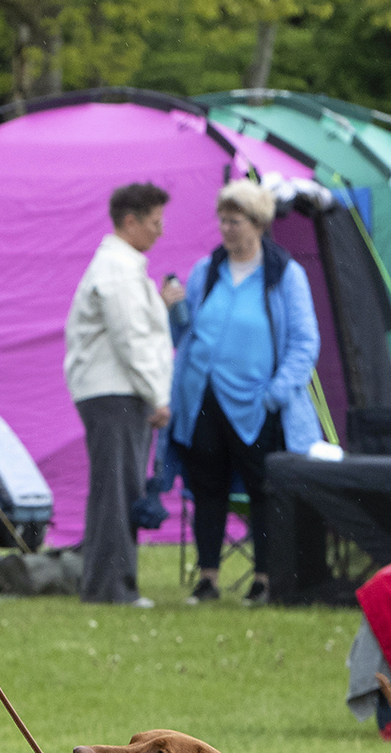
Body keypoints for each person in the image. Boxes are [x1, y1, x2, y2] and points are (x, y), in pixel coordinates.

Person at [167, 179, 322, 607]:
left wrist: (276, 393)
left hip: (257, 403)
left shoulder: (285, 274)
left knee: (262, 490)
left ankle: (265, 578)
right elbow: (187, 333)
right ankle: (208, 578)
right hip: (204, 399)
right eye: (222, 220)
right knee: (207, 487)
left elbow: (305, 342)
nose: (226, 229)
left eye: (234, 221)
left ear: (257, 224)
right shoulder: (206, 270)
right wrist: (175, 310)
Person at [63, 181, 184, 606]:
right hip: (115, 392)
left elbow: (136, 324)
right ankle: (114, 588)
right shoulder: (117, 267)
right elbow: (129, 337)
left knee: (112, 488)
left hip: (114, 390)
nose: (161, 232)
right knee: (118, 489)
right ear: (130, 221)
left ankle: (101, 584)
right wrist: (158, 395)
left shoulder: (123, 265)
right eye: (155, 222)